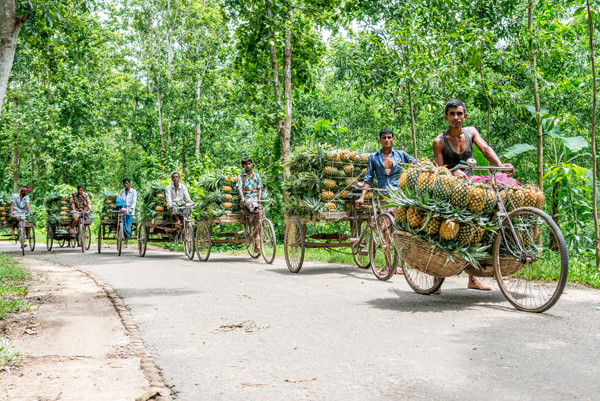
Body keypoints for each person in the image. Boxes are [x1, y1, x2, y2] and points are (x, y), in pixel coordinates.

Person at [433, 99, 514, 291]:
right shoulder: (439, 141)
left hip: (472, 185)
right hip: (450, 186)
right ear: (446, 118)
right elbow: (438, 167)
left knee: (479, 223)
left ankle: (473, 277)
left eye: (459, 114)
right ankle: (437, 272)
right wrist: (452, 172)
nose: (456, 117)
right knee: (446, 225)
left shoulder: (471, 132)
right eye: (452, 114)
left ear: (465, 116)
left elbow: (485, 150)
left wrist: (500, 165)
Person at [356, 128, 416, 276]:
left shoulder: (401, 155)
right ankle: (389, 265)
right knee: (385, 230)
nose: (387, 140)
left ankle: (401, 264)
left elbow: (417, 164)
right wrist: (362, 197)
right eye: (384, 138)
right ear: (380, 140)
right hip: (383, 197)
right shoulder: (374, 157)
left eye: (389, 137)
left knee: (401, 231)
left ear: (393, 139)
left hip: (399, 197)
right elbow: (368, 178)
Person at [236, 157, 263, 255]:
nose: (248, 165)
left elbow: (259, 188)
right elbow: (239, 187)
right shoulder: (241, 176)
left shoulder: (257, 176)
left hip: (255, 198)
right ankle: (257, 242)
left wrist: (259, 200)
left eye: (249, 164)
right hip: (247, 198)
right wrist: (242, 197)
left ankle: (257, 241)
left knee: (258, 211)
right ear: (243, 166)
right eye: (246, 164)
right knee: (255, 208)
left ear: (251, 164)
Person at [118, 178, 137, 247]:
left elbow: (134, 201)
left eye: (127, 183)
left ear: (129, 183)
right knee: (122, 223)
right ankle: (121, 236)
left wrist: (131, 208)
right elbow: (120, 200)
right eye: (124, 183)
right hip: (123, 209)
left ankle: (126, 241)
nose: (125, 185)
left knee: (128, 225)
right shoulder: (122, 191)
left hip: (130, 210)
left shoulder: (133, 191)